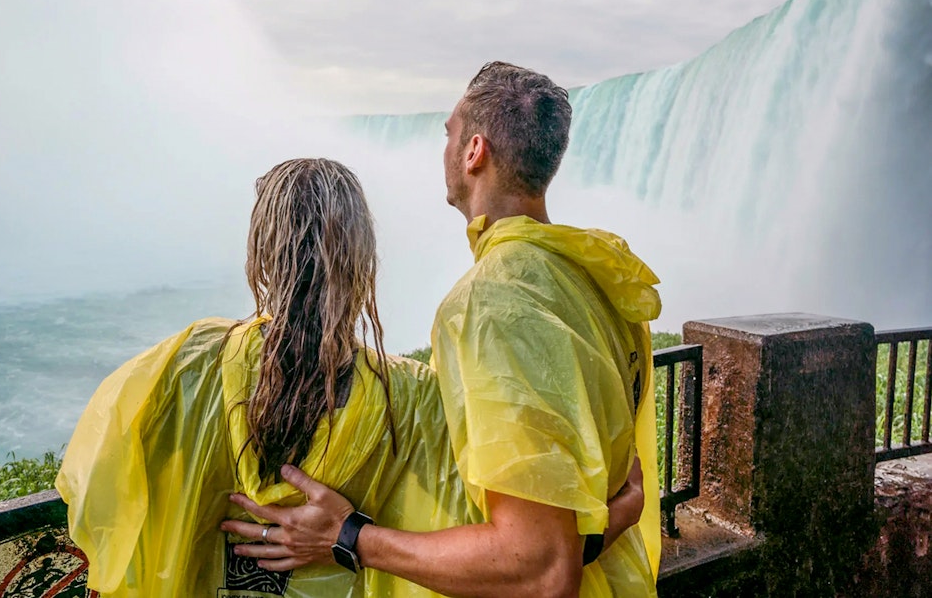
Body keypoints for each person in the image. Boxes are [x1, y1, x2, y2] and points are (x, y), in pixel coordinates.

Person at [55, 157, 645, 597]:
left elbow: (105, 500)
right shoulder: (412, 399)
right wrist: (609, 520)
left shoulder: (182, 369)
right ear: (362, 261)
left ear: (261, 255)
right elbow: (507, 551)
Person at [225, 63, 663, 597]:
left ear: (474, 151)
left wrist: (347, 536)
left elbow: (541, 570)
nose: (444, 149)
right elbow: (606, 480)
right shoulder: (595, 279)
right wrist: (618, 514)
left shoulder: (491, 304)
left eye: (449, 134)